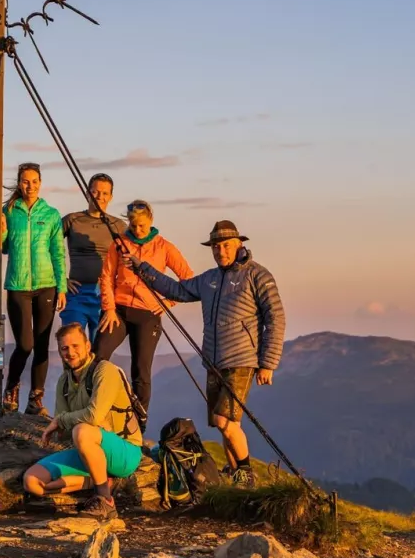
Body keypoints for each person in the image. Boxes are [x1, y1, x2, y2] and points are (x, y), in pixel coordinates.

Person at [123, 220, 283, 488]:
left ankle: (246, 473)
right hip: (213, 360)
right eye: (216, 246)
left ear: (239, 245)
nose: (221, 251)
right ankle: (235, 475)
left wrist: (267, 363)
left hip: (242, 359)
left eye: (226, 245)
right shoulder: (210, 278)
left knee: (225, 420)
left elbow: (275, 318)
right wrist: (143, 269)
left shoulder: (258, 275)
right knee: (225, 424)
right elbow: (177, 290)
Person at [21, 323, 144, 518]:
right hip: (88, 450)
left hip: (124, 451)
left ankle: (105, 500)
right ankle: (101, 480)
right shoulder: (64, 382)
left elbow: (91, 416)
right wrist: (64, 424)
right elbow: (63, 435)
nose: (70, 352)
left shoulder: (105, 370)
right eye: (64, 348)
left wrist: (63, 420)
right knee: (32, 482)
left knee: (82, 430)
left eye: (76, 346)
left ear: (88, 346)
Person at [95, 199, 193, 430]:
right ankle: (95, 412)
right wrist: (108, 309)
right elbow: (107, 277)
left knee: (141, 369)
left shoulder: (164, 247)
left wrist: (168, 301)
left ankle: (138, 425)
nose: (137, 229)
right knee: (97, 356)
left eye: (141, 225)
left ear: (150, 220)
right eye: (133, 224)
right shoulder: (119, 243)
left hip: (148, 313)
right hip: (118, 310)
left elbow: (188, 279)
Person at [0, 162, 68, 415]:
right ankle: (12, 389)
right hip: (18, 285)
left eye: (34, 181)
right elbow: (4, 247)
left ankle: (36, 398)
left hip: (46, 286)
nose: (30, 186)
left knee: (42, 344)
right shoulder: (8, 211)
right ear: (19, 183)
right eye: (26, 181)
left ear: (41, 182)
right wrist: (2, 232)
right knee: (24, 344)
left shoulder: (51, 214)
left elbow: (58, 253)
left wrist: (61, 287)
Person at [60, 173, 127, 342]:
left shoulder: (118, 226)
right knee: (72, 343)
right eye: (96, 192)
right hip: (77, 293)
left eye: (105, 193)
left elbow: (129, 258)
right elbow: (47, 248)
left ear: (111, 197)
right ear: (88, 192)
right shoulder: (72, 220)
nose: (100, 197)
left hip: (105, 295)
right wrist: (61, 280)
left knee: (99, 349)